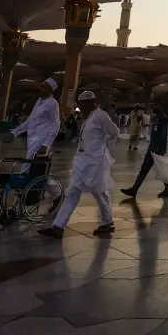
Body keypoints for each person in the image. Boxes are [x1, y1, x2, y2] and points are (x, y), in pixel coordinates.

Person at [40, 90, 120, 239]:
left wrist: (104, 149)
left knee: (100, 193)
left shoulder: (101, 116)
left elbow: (115, 131)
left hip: (95, 163)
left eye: (82, 104)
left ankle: (107, 222)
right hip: (82, 163)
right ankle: (58, 226)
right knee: (72, 192)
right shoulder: (88, 117)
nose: (80, 107)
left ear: (91, 103)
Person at [4, 77, 61, 204]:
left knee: (27, 168)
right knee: (39, 172)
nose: (40, 88)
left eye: (43, 86)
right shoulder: (39, 101)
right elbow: (30, 121)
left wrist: (46, 145)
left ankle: (22, 196)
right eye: (41, 85)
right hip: (32, 141)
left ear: (50, 90)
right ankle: (57, 194)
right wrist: (14, 133)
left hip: (41, 142)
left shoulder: (53, 104)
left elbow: (56, 125)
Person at [122, 105, 168, 198]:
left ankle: (134, 190)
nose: (152, 109)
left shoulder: (161, 119)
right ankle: (167, 188)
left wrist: (154, 149)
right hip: (154, 149)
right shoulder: (158, 118)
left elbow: (160, 135)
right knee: (154, 169)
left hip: (155, 150)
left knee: (151, 169)